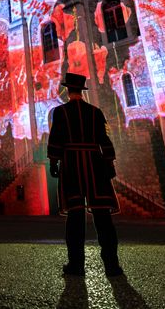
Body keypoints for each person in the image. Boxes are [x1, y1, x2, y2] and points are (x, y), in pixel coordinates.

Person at [47, 72, 122, 277]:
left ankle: (76, 265)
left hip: (72, 164)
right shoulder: (95, 112)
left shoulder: (60, 112)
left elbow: (56, 138)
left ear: (67, 90)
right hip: (94, 163)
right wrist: (109, 161)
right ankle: (112, 266)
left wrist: (54, 161)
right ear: (82, 90)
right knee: (103, 217)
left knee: (75, 217)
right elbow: (104, 139)